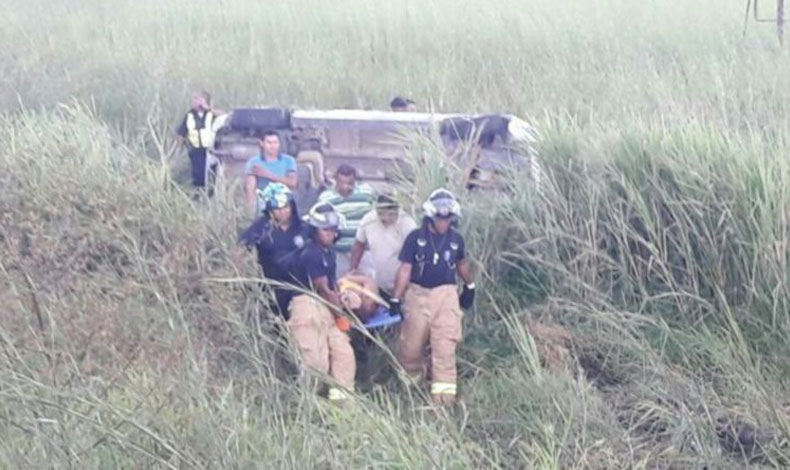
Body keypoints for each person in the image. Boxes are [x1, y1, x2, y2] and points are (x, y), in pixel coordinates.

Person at [389, 189, 475, 405]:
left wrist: (470, 286)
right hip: (418, 295)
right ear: (430, 216)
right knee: (410, 348)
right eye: (440, 218)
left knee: (445, 348)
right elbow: (405, 270)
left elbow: (461, 264)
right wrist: (396, 299)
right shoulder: (415, 239)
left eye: (448, 218)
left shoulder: (456, 240)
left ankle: (443, 402)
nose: (444, 222)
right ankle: (410, 391)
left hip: (446, 295)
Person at [287, 202, 356, 401]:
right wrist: (341, 316)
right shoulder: (311, 253)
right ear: (315, 230)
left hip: (328, 309)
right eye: (325, 230)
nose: (331, 234)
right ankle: (309, 405)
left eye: (333, 230)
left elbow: (332, 286)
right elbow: (324, 290)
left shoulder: (329, 252)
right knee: (316, 363)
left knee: (344, 355)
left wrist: (343, 297)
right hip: (307, 306)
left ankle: (342, 406)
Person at [237, 183, 307, 319]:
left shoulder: (303, 227)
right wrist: (242, 276)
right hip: (271, 287)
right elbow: (241, 247)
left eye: (286, 207)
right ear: (269, 209)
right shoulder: (262, 227)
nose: (282, 212)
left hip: (300, 289)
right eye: (277, 208)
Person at [349, 194, 417, 298]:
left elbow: (415, 255)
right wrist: (352, 269)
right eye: (382, 214)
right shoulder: (368, 221)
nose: (386, 218)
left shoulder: (408, 224)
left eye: (390, 214)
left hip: (406, 287)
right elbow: (359, 244)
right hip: (379, 285)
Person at [316, 164, 376, 277]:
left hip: (364, 252)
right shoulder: (326, 198)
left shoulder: (367, 193)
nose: (345, 187)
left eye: (349, 183)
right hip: (339, 252)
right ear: (335, 180)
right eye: (341, 183)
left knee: (367, 286)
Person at [245, 130, 298, 214]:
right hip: (264, 202)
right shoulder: (254, 162)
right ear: (262, 143)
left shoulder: (289, 160)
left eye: (275, 142)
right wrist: (251, 211)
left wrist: (267, 174)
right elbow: (250, 188)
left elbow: (292, 183)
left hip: (284, 201)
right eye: (269, 143)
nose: (273, 146)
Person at [176, 91, 218, 191]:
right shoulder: (189, 115)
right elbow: (181, 133)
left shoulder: (212, 114)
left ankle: (211, 195)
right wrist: (179, 148)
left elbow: (225, 117)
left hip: (211, 151)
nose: (194, 101)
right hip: (195, 151)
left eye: (197, 99)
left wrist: (208, 108)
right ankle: (199, 196)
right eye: (194, 99)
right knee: (198, 176)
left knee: (212, 176)